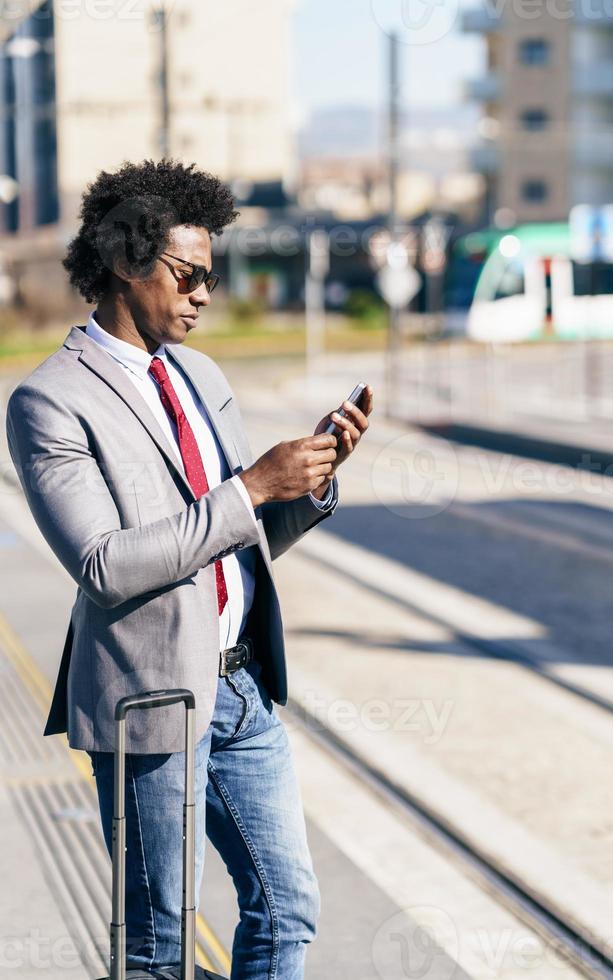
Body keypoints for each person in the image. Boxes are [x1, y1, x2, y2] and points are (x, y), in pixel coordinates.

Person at [5, 158, 372, 979]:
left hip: (242, 691)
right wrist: (250, 488)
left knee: (288, 907)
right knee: (157, 945)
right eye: (190, 273)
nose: (207, 291)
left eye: (213, 273)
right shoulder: (49, 402)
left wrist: (307, 487)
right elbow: (104, 565)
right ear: (127, 264)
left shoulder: (203, 376)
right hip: (151, 699)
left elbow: (228, 539)